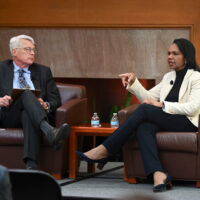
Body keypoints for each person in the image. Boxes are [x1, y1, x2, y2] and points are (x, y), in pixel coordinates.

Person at [76, 38, 200, 192]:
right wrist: (134, 82)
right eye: (168, 53)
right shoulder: (169, 77)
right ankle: (158, 174)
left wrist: (162, 104)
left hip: (187, 122)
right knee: (144, 126)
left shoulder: (196, 77)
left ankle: (106, 149)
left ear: (186, 57)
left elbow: (193, 108)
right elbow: (148, 97)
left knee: (144, 109)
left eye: (175, 53)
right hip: (169, 119)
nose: (169, 56)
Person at [0, 35, 70, 170]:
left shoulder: (43, 71)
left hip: (34, 114)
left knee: (28, 114)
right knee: (26, 92)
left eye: (33, 50)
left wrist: (45, 105)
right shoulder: (1, 68)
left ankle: (31, 165)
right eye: (27, 49)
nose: (32, 53)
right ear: (14, 51)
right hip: (8, 115)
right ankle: (49, 131)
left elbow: (55, 100)